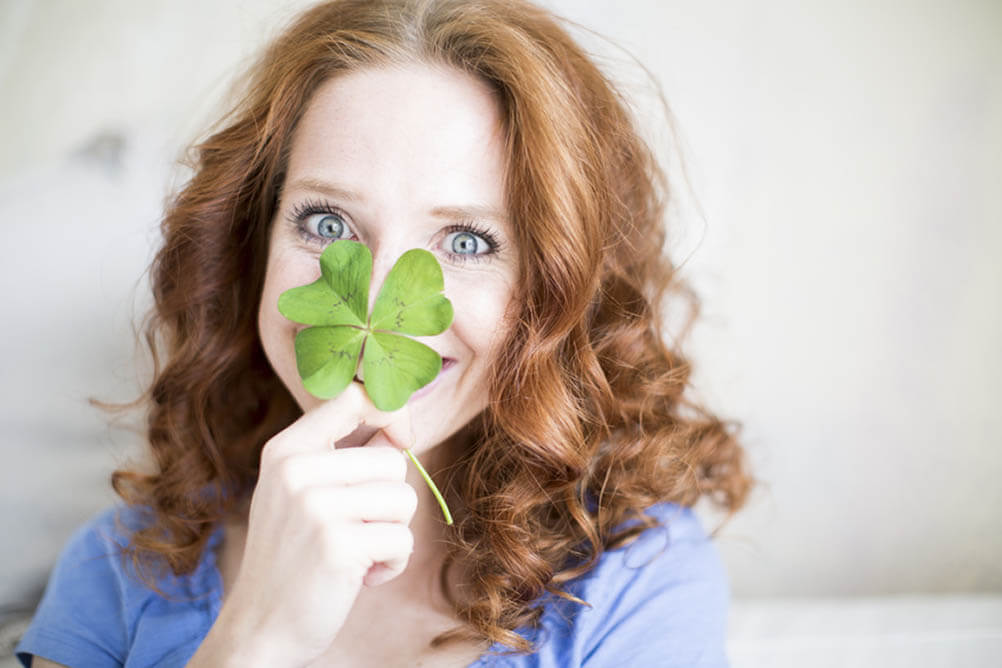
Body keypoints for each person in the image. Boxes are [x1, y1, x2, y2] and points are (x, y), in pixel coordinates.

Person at [16, 0, 752, 666]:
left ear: (558, 289)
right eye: (327, 224)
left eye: (465, 240)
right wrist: (255, 639)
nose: (369, 293)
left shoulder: (635, 582)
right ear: (254, 242)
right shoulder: (121, 566)